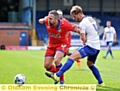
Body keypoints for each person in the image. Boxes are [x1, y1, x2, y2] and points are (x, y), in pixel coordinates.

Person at [45, 5, 104, 86]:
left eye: (74, 16)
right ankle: (101, 82)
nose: (74, 18)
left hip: (90, 46)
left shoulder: (82, 23)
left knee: (71, 57)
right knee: (90, 64)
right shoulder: (90, 18)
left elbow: (83, 39)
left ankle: (57, 75)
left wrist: (83, 36)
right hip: (97, 46)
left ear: (79, 14)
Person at [39, 10, 80, 84]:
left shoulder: (65, 24)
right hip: (51, 45)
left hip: (62, 44)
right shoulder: (47, 21)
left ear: (56, 19)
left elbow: (75, 28)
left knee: (57, 60)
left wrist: (84, 32)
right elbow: (43, 19)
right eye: (49, 18)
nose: (49, 20)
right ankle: (57, 74)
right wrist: (42, 20)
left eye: (51, 19)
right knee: (47, 66)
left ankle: (61, 81)